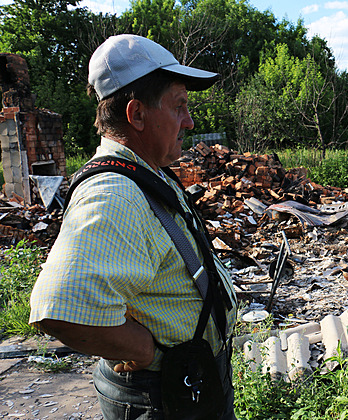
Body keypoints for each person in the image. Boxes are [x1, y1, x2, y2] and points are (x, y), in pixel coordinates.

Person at [29, 34, 237, 419]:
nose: (189, 122)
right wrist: (144, 350)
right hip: (162, 395)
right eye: (179, 107)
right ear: (137, 114)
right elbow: (58, 308)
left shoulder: (145, 172)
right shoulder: (115, 193)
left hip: (186, 383)